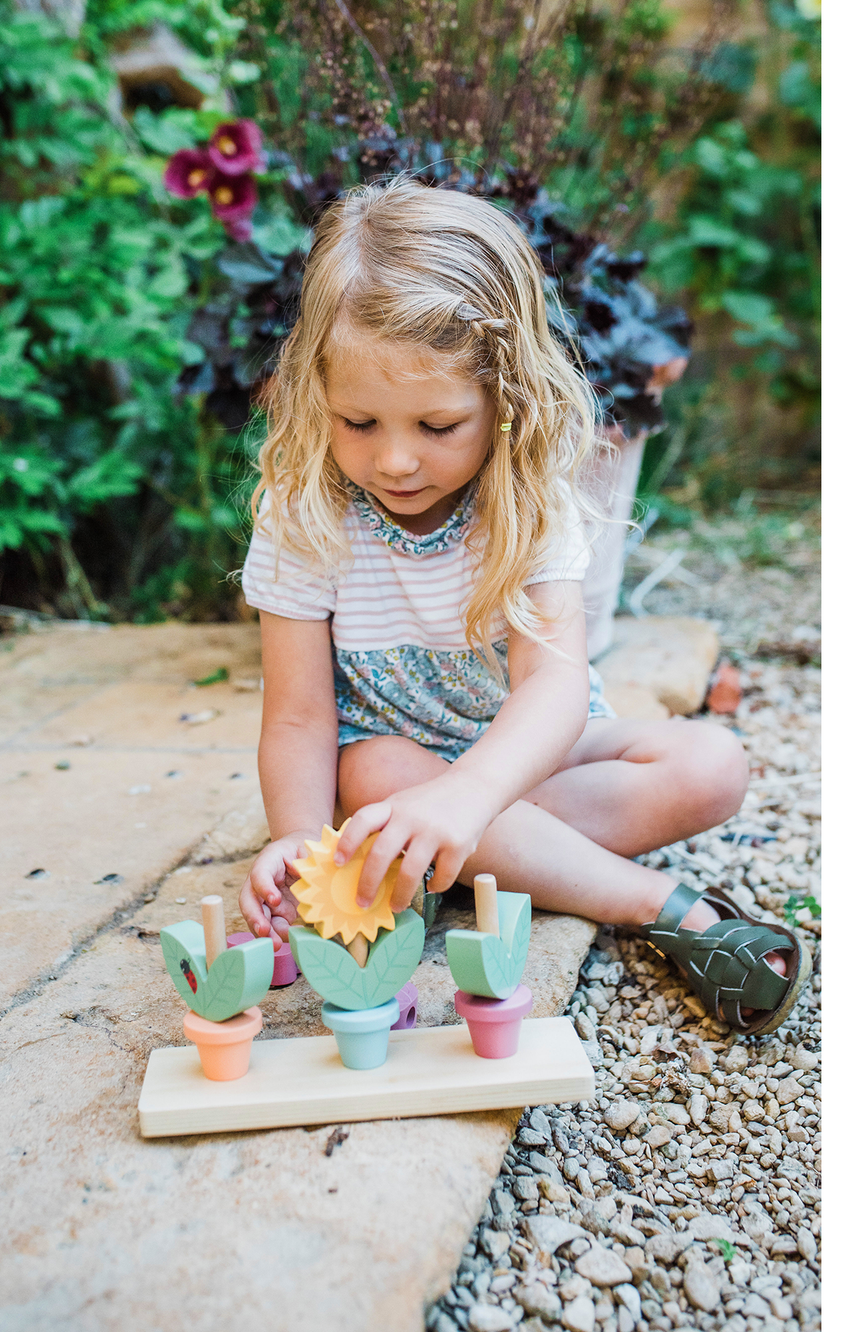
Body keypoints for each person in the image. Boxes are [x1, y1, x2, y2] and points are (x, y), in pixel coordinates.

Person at [236, 178, 808, 1035]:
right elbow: (297, 719)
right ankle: (663, 907)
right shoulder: (304, 512)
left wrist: (467, 803)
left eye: (437, 426)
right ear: (317, 387)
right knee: (378, 776)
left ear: (502, 399)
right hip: (389, 765)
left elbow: (551, 691)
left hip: (527, 753)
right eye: (359, 421)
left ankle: (442, 857)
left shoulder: (528, 505)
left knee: (712, 764)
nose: (395, 460)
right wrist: (298, 838)